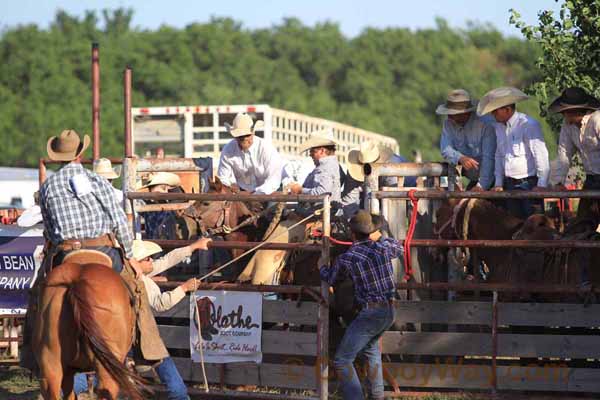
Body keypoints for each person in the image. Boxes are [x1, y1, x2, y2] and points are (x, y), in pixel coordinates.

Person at [22, 129, 144, 372]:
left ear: (57, 156)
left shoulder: (48, 187)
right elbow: (119, 220)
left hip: (65, 253)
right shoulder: (98, 180)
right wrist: (131, 256)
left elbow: (49, 229)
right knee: (136, 289)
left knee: (37, 295)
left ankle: (31, 350)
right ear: (80, 153)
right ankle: (144, 350)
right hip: (104, 250)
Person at [73, 237, 212, 400]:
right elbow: (161, 303)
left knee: (100, 370)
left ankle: (70, 392)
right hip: (139, 337)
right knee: (174, 385)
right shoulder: (140, 281)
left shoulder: (125, 274)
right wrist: (184, 288)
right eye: (148, 258)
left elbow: (167, 260)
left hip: (115, 337)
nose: (152, 261)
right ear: (136, 262)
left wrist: (194, 246)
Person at [319, 210, 400, 400]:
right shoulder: (383, 247)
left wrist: (321, 265)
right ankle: (377, 396)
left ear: (352, 234)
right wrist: (378, 236)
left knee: (342, 360)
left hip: (371, 312)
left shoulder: (348, 257)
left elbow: (330, 278)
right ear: (371, 231)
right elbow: (399, 247)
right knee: (371, 350)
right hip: (389, 310)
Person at [477, 87, 550, 219]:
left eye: (495, 110)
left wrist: (541, 185)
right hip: (509, 184)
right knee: (514, 222)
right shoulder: (499, 127)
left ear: (507, 110)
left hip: (529, 182)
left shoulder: (528, 125)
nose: (493, 114)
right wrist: (498, 183)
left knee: (534, 222)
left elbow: (540, 155)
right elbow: (499, 155)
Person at [549, 87, 600, 219]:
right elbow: (564, 153)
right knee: (583, 219)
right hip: (591, 178)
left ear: (572, 111)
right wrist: (559, 182)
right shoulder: (568, 126)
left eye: (564, 111)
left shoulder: (597, 121)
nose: (563, 115)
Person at [437, 89, 496, 191]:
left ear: (465, 114)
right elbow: (445, 149)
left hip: (493, 179)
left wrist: (481, 186)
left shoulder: (485, 124)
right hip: (473, 178)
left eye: (452, 114)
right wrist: (460, 157)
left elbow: (489, 158)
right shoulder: (448, 124)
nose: (449, 116)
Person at [342, 140, 417, 219]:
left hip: (408, 188)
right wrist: (352, 222)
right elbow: (349, 198)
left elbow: (391, 200)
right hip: (382, 190)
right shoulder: (353, 170)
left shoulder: (391, 167)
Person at [217, 112, 285, 195]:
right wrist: (231, 187)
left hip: (269, 191)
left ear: (253, 133)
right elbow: (223, 178)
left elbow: (273, 180)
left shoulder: (266, 148)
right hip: (242, 192)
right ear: (235, 137)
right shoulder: (228, 149)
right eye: (241, 136)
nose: (245, 138)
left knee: (273, 205)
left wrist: (254, 194)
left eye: (247, 135)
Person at [139, 172, 182, 239]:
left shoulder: (171, 205)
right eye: (163, 188)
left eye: (166, 189)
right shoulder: (147, 205)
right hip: (155, 245)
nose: (166, 192)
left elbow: (179, 195)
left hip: (168, 243)